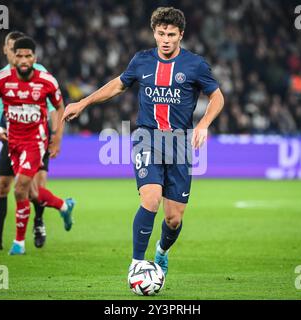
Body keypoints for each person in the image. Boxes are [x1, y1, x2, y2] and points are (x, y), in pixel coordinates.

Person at [63, 7, 224, 276]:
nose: (166, 39)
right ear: (154, 33)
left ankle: (161, 251)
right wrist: (84, 102)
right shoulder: (141, 61)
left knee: (174, 218)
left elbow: (217, 97)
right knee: (150, 200)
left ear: (181, 35)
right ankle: (137, 263)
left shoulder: (195, 65)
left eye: (171, 34)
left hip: (180, 143)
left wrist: (204, 124)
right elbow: (117, 85)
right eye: (161, 33)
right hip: (147, 138)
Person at [0, 36, 75, 255]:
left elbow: (60, 107)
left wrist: (57, 137)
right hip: (13, 142)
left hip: (36, 142)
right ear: (12, 56)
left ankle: (19, 244)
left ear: (35, 57)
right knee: (32, 193)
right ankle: (64, 206)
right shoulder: (1, 80)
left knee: (20, 188)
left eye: (28, 56)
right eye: (20, 55)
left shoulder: (47, 81)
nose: (24, 60)